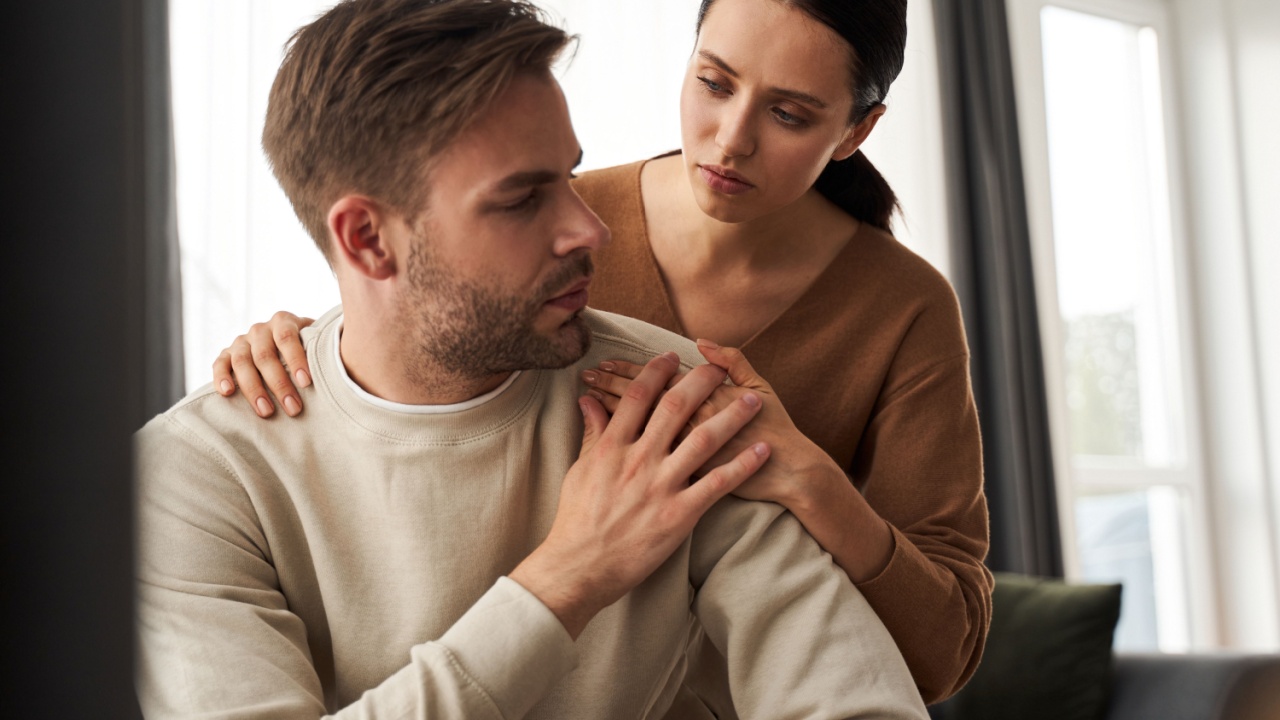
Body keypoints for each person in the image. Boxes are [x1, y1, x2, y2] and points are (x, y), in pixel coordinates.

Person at [136, 0, 930, 718]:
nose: (593, 231)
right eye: (521, 199)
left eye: (572, 176)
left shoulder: (666, 402)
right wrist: (566, 578)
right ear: (367, 240)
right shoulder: (195, 477)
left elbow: (855, 699)